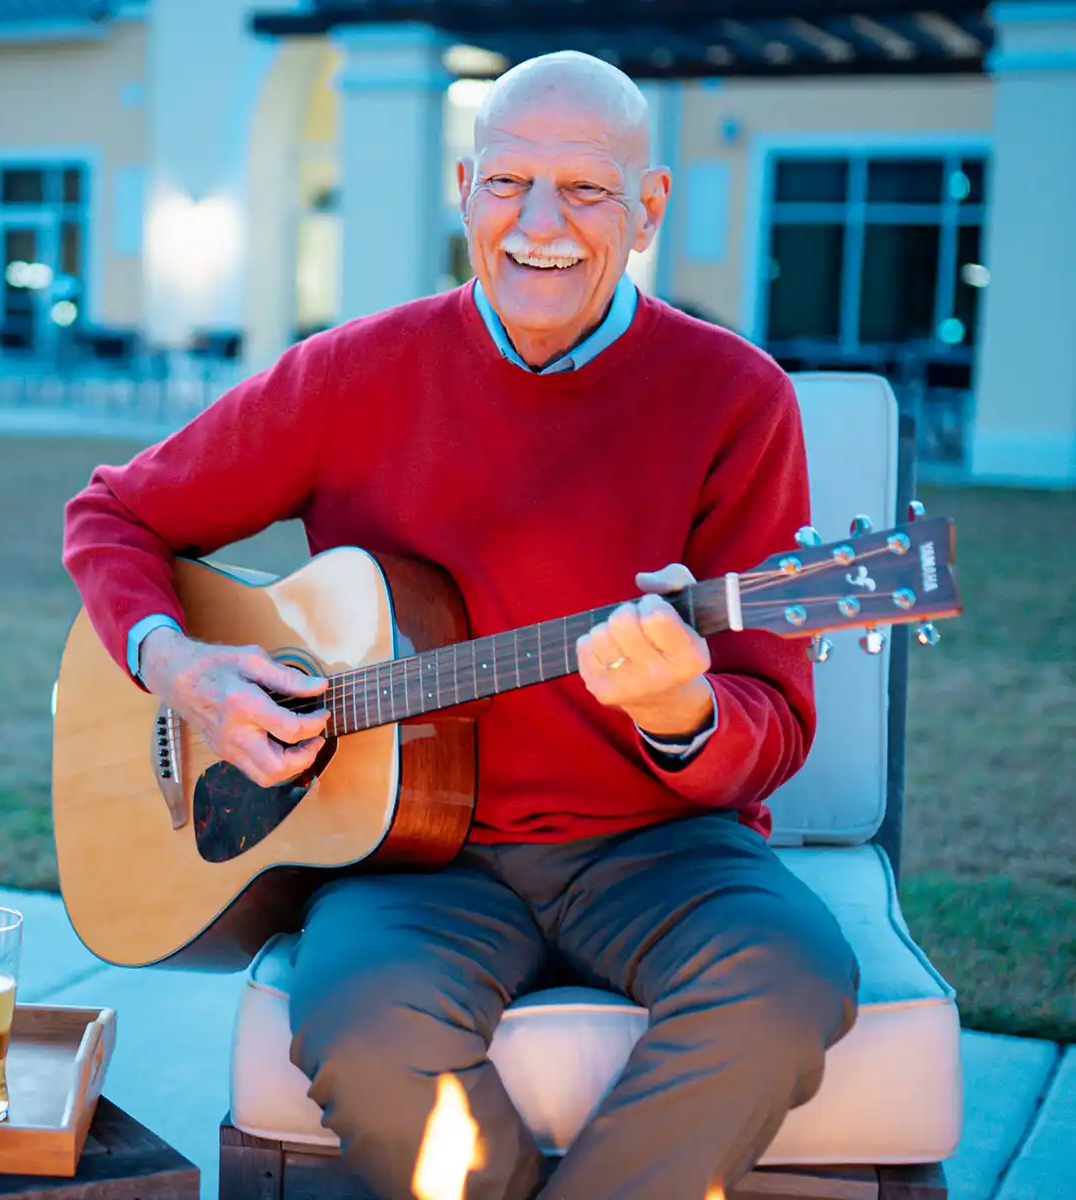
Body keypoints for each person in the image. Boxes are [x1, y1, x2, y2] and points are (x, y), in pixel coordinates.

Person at [62, 52, 854, 1200]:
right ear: (465, 189)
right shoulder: (352, 374)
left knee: (786, 987)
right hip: (409, 854)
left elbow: (774, 718)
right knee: (363, 1030)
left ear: (650, 209)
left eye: (585, 189)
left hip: (660, 847)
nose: (540, 224)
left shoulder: (736, 398)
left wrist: (686, 712)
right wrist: (177, 667)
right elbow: (115, 511)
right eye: (507, 183)